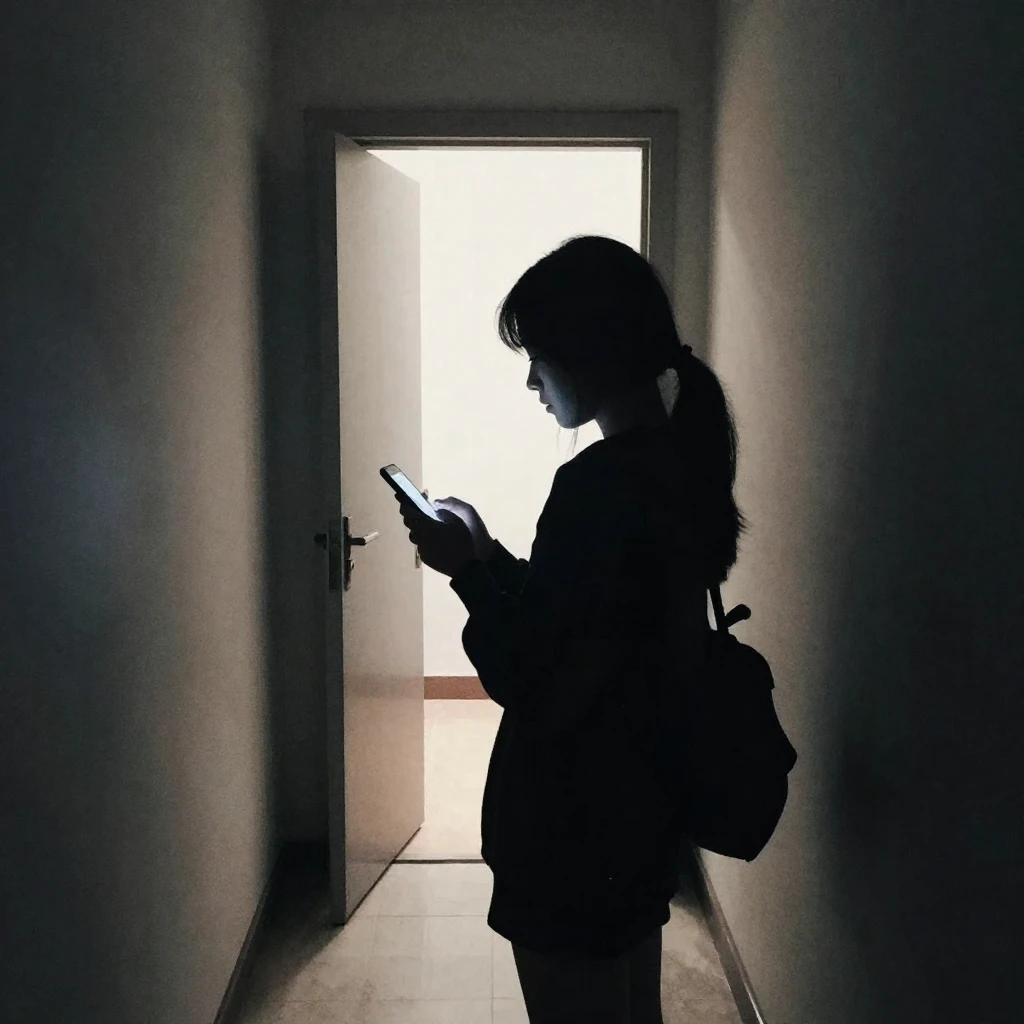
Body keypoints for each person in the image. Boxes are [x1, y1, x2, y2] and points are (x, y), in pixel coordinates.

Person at [393, 235, 745, 1024]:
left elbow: (538, 678)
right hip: (637, 813)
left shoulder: (598, 485)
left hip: (571, 828)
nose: (532, 380)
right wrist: (490, 554)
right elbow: (588, 620)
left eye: (538, 357)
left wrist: (465, 574)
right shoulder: (673, 464)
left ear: (589, 352)